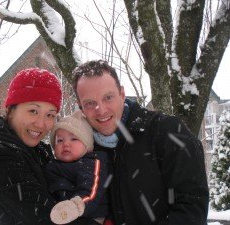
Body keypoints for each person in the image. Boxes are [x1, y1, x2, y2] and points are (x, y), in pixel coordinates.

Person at [71, 60, 209, 225]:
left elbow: (192, 209)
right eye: (90, 103)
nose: (100, 109)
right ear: (80, 107)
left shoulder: (167, 132)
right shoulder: (81, 150)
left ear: (122, 94)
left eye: (108, 97)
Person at [0, 68, 100, 225]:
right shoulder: (1, 157)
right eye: (33, 111)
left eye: (50, 115)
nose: (41, 124)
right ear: (10, 110)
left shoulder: (38, 151)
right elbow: (51, 217)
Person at [45, 110, 109, 225]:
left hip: (89, 216)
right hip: (63, 216)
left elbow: (92, 190)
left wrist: (76, 205)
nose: (65, 144)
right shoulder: (53, 165)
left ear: (87, 144)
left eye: (74, 139)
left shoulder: (91, 163)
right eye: (59, 140)